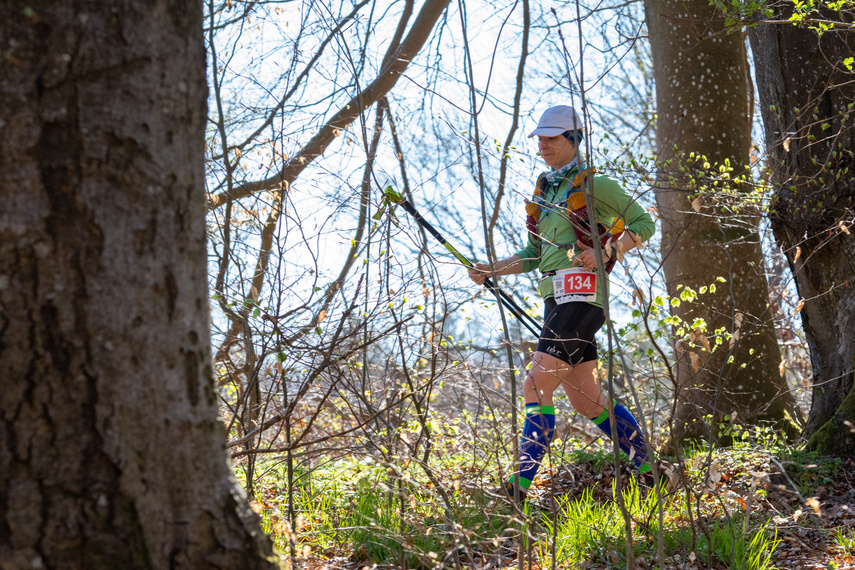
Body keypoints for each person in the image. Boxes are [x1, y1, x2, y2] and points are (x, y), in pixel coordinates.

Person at [468, 105, 656, 502]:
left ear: (572, 141)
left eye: (551, 139)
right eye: (539, 138)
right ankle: (651, 469)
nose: (542, 145)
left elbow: (644, 224)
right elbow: (534, 254)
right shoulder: (545, 191)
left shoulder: (595, 185)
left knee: (536, 383)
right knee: (586, 399)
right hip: (556, 299)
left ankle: (518, 489)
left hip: (585, 297)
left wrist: (609, 248)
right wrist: (493, 269)